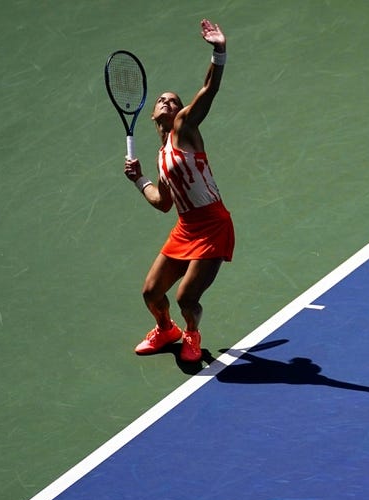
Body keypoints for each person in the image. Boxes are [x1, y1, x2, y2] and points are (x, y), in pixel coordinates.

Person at [123, 18, 233, 363]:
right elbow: (163, 203)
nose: (167, 102)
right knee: (151, 292)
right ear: (154, 113)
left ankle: (192, 334)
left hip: (214, 225)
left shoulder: (185, 129)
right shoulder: (161, 157)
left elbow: (208, 91)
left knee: (187, 297)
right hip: (186, 227)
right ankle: (166, 329)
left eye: (174, 100)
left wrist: (219, 50)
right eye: (161, 100)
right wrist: (140, 180)